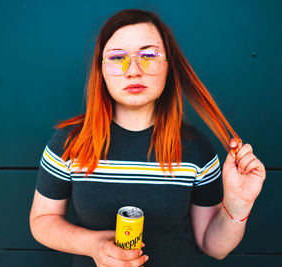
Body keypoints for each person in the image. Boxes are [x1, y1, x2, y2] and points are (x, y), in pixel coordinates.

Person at [29, 8, 266, 267]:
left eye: (149, 55)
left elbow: (214, 248)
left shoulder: (196, 149)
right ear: (101, 69)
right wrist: (94, 245)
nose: (133, 70)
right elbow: (42, 220)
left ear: (168, 66)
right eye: (118, 57)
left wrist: (238, 204)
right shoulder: (69, 143)